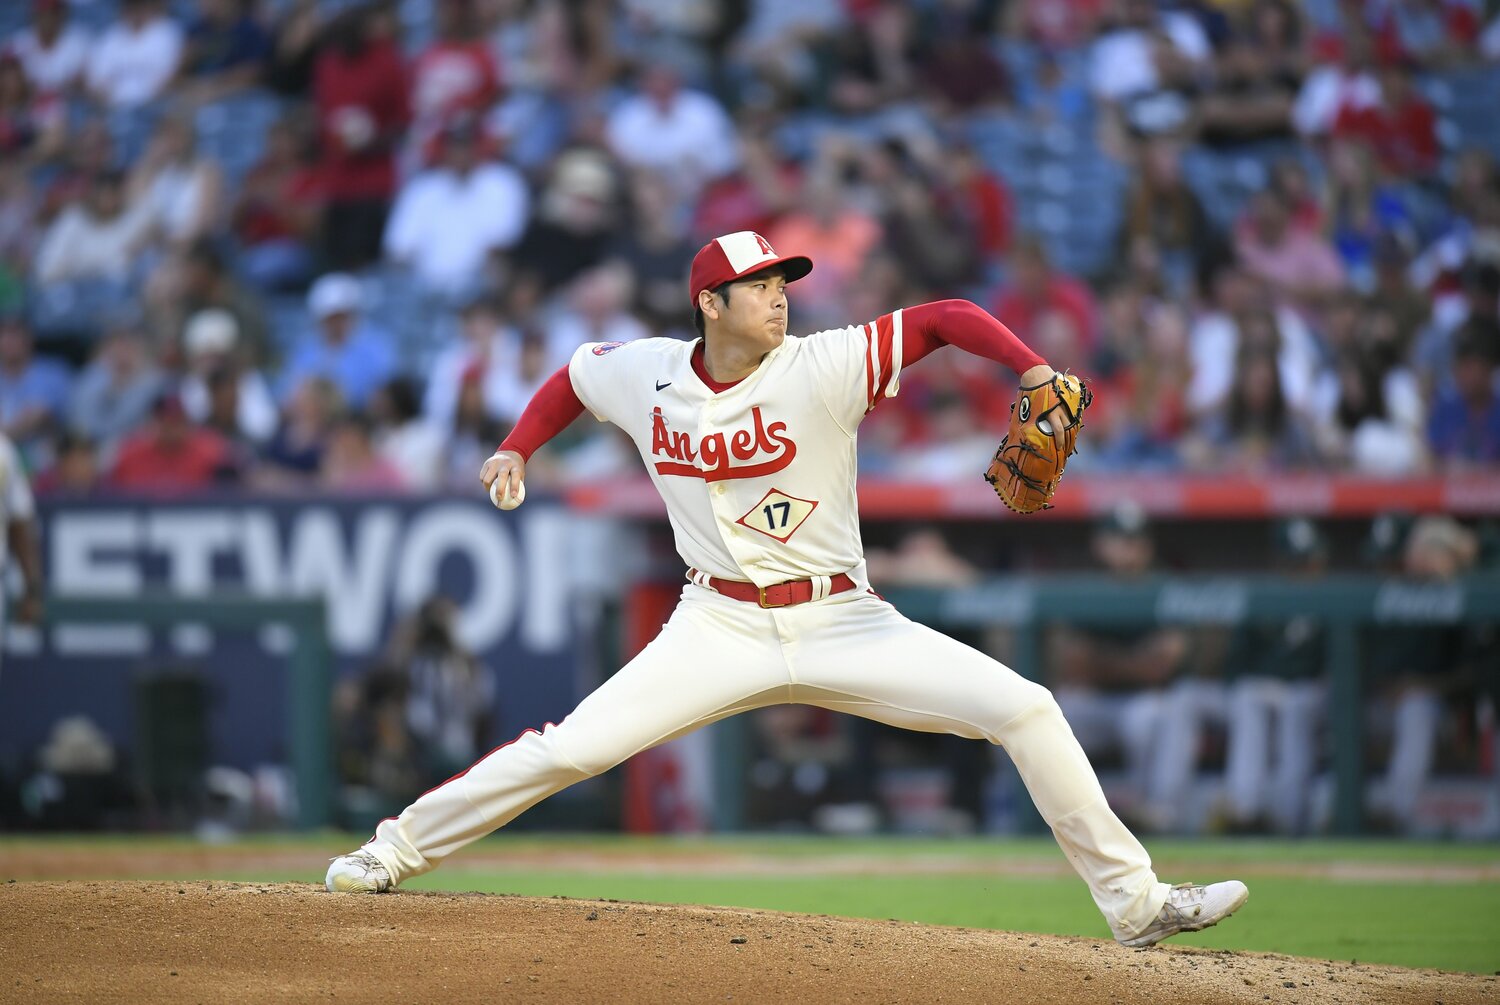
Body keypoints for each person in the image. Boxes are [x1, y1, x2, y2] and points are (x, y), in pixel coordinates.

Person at [326, 230, 1248, 949]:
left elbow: (941, 316)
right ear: (710, 304)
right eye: (761, 286)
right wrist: (517, 445)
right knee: (571, 751)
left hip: (845, 616)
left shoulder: (824, 363)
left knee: (1027, 707)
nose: (779, 297)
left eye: (783, 283)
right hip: (716, 621)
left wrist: (1030, 367)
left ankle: (1135, 904)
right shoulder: (645, 370)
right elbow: (572, 378)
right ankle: (394, 848)